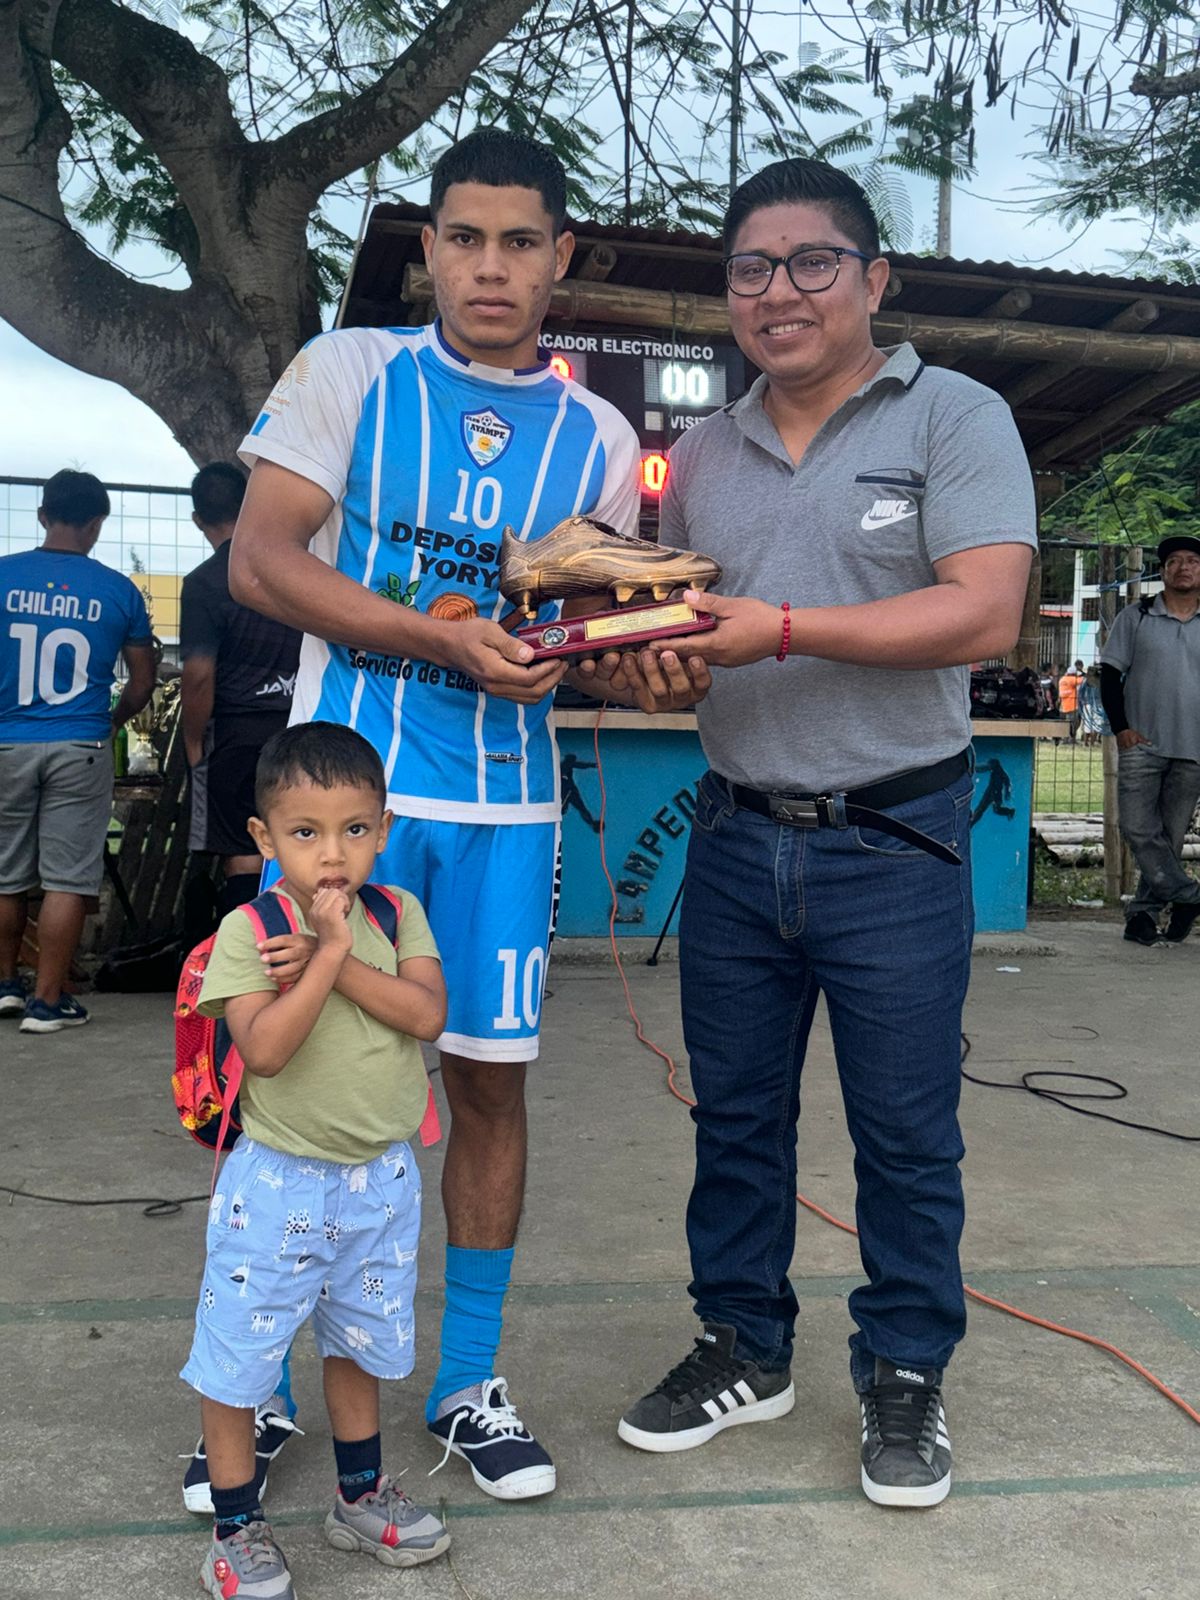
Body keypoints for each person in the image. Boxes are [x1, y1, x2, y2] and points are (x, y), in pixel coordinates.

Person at [225, 128, 701, 1502]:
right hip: (341, 813)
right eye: (467, 239)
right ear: (429, 249)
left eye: (521, 242)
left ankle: (468, 1381)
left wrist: (642, 662)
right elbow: (261, 561)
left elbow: (582, 638)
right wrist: (437, 641)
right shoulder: (347, 371)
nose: (492, 267)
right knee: (293, 1075)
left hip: (507, 811)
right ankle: (256, 1384)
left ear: (562, 259)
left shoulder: (598, 437)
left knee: (490, 1083)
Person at [611, 157, 1035, 1508]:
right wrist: (656, 670)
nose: (777, 291)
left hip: (895, 840)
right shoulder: (705, 456)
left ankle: (905, 1367)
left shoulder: (954, 416)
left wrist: (784, 628)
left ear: (873, 279)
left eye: (811, 263)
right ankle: (745, 1345)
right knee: (735, 1120)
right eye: (750, 268)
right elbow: (690, 643)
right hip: (738, 838)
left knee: (905, 1132)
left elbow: (984, 612)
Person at [180, 721, 450, 1599]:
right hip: (278, 1183)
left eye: (355, 829)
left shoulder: (396, 914)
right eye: (306, 832)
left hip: (382, 1181)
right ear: (265, 838)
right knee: (239, 1359)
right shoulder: (250, 929)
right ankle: (236, 1528)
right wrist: (321, 957)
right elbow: (263, 1050)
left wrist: (334, 956)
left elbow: (426, 1015)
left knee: (359, 1343)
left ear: (384, 827)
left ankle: (360, 1495)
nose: (332, 854)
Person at [0, 469, 155, 1032]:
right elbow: (142, 683)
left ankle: (5, 986)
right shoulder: (119, 591)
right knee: (68, 878)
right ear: (97, 524)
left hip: (7, 741)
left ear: (42, 514)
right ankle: (47, 1002)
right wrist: (112, 721)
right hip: (82, 742)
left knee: (5, 873)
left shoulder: (3, 577)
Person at [181, 462, 302, 917]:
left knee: (243, 846)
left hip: (236, 733)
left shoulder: (204, 582)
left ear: (198, 519)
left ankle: (250, 950)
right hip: (299, 724)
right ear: (249, 502)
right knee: (301, 837)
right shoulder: (292, 570)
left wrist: (194, 741)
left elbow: (198, 675)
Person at [1101, 535, 1200, 946]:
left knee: (1170, 838)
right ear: (1162, 571)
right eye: (1174, 561)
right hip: (1141, 742)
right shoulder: (1136, 616)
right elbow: (1109, 675)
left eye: (1192, 560)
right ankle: (1190, 895)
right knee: (1138, 828)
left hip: (1194, 748)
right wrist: (1121, 728)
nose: (1183, 567)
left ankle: (1142, 917)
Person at [1077, 664, 1109, 747]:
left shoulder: (1085, 681)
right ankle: (1090, 743)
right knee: (1096, 725)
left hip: (1089, 704)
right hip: (1096, 705)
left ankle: (1086, 743)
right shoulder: (1101, 682)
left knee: (1088, 725)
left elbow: (1081, 695)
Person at [1058, 659, 1084, 742]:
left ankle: (1065, 738)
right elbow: (1083, 680)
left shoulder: (1062, 679)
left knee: (1066, 724)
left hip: (1064, 706)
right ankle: (1071, 739)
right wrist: (1082, 674)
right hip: (1072, 705)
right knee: (1074, 723)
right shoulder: (1071, 679)